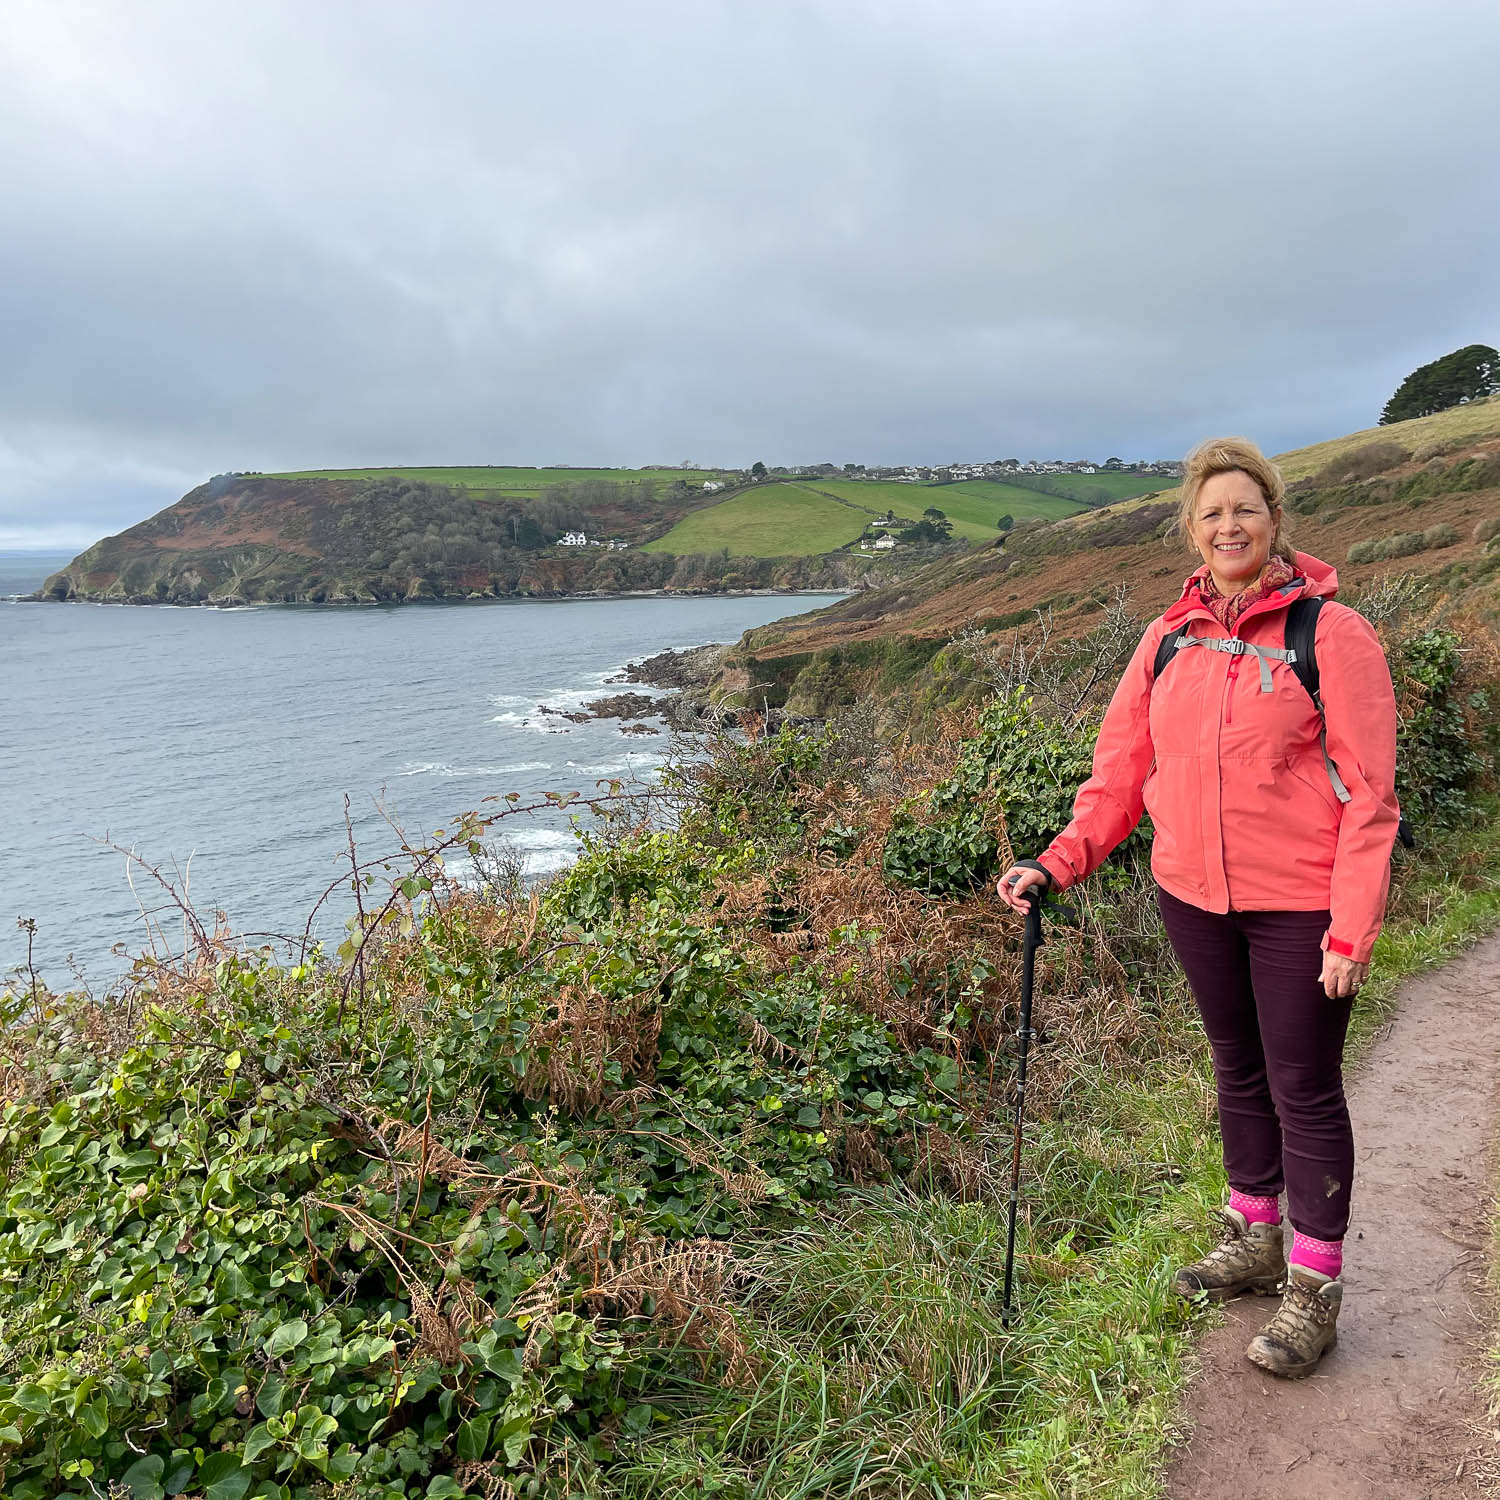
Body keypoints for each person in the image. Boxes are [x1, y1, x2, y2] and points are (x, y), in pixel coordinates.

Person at [996, 436, 1399, 1379]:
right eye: (1212, 513)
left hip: (1300, 903)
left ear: (1274, 521)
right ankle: (1255, 1234)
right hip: (1192, 894)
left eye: (1245, 510)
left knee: (1303, 1086)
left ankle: (1315, 1287)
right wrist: (1057, 864)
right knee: (1237, 1068)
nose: (1229, 526)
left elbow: (1371, 796)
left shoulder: (1330, 634)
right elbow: (1120, 773)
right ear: (1191, 529)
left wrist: (1351, 926)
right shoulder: (1168, 638)